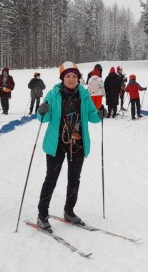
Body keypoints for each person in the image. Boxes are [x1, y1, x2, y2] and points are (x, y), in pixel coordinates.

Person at [35, 61, 105, 232]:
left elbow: (92, 117)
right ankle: (42, 214)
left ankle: (69, 211)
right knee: (51, 178)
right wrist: (41, 110)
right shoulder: (52, 95)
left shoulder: (84, 95)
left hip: (77, 143)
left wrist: (100, 115)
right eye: (68, 76)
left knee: (74, 179)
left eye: (74, 76)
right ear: (62, 78)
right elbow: (43, 119)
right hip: (56, 144)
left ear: (79, 78)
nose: (72, 79)